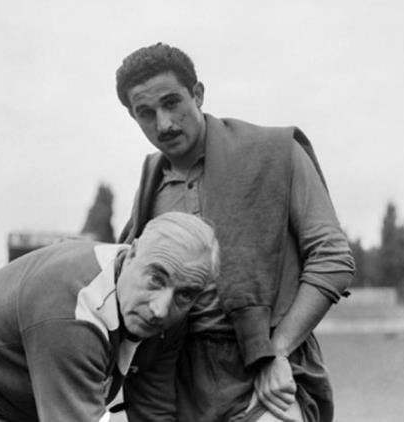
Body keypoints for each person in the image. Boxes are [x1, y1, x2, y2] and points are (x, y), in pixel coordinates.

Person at [117, 43, 355, 422]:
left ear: (198, 94)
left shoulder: (276, 153)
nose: (164, 123)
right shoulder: (150, 187)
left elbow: (333, 259)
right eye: (146, 113)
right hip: (175, 382)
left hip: (266, 370)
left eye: (172, 102)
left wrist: (276, 351)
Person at [0, 211, 220, 422]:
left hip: (25, 394)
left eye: (186, 294)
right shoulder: (73, 309)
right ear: (132, 252)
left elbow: (154, 409)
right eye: (156, 278)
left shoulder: (171, 312)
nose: (161, 309)